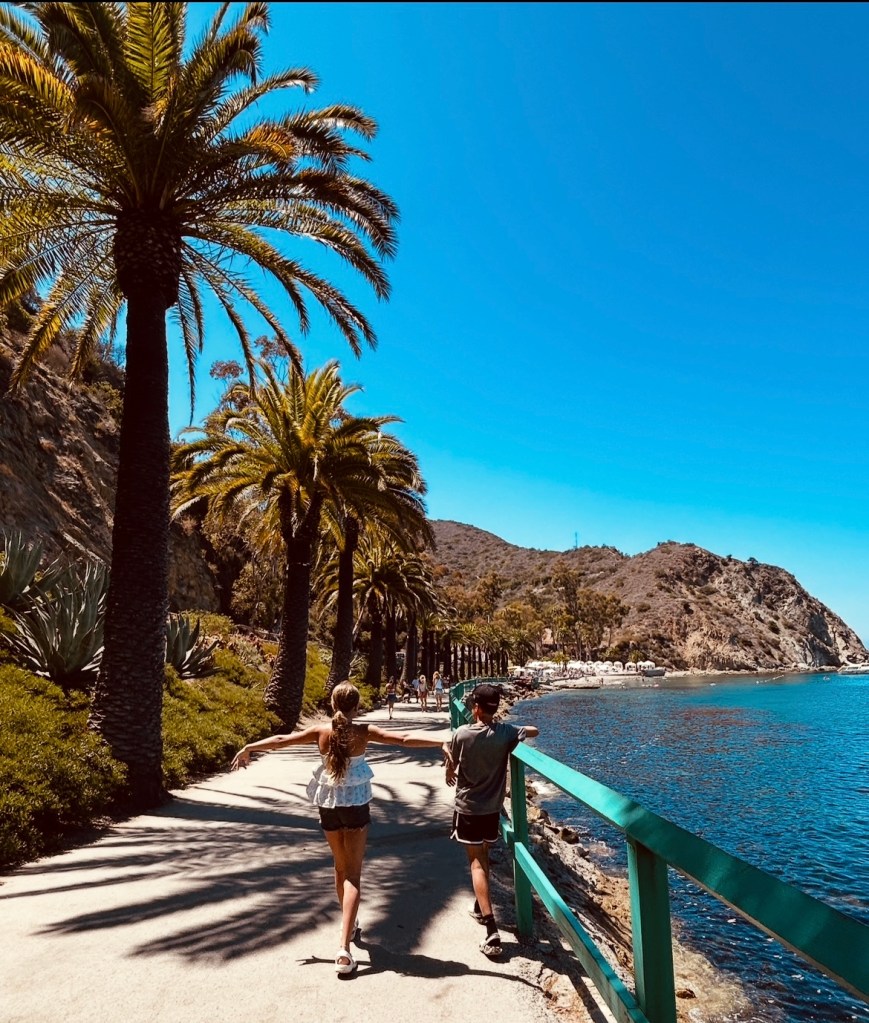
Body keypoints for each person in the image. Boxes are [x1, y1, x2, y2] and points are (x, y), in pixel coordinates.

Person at [231, 682, 448, 976]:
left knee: (339, 867)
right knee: (353, 876)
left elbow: (282, 739)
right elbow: (404, 738)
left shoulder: (320, 732)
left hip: (328, 806)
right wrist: (440, 742)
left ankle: (350, 923)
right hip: (355, 807)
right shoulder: (364, 732)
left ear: (332, 704)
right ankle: (344, 949)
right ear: (356, 707)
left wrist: (249, 747)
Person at [443, 683, 539, 959]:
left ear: (475, 708)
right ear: (494, 709)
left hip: (468, 808)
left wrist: (446, 755)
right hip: (492, 809)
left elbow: (451, 760)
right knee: (483, 856)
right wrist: (514, 729)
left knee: (476, 863)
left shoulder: (462, 734)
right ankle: (479, 906)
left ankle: (491, 929)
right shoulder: (505, 733)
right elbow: (533, 730)